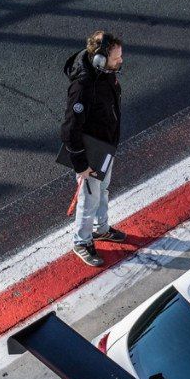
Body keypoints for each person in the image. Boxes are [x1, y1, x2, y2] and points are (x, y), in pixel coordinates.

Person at [60, 30, 127, 266]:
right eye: (116, 57)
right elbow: (69, 130)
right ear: (99, 59)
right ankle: (82, 241)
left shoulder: (105, 73)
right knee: (89, 200)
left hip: (105, 146)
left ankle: (101, 229)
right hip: (91, 154)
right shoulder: (83, 87)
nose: (121, 60)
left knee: (103, 191)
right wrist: (81, 164)